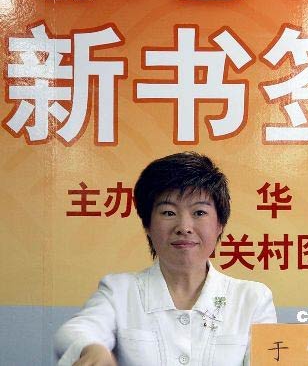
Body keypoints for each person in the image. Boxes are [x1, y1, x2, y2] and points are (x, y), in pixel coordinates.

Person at [54, 152, 277, 365]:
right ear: (148, 225)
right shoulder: (119, 291)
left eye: (199, 212)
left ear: (219, 225)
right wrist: (91, 348)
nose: (184, 227)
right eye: (168, 213)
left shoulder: (252, 298)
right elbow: (75, 331)